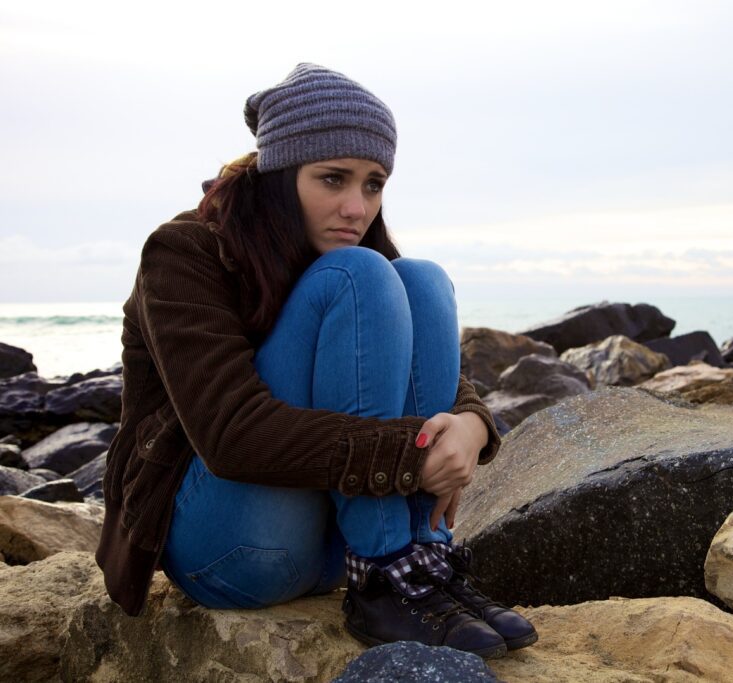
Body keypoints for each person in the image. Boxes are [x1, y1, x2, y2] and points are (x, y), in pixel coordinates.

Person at [96, 63, 536, 659]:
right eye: (333, 179)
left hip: (331, 551)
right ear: (280, 173)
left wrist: (474, 425)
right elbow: (231, 437)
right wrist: (415, 457)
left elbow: (438, 378)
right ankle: (386, 571)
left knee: (423, 280)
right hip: (232, 551)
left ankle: (420, 569)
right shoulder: (184, 252)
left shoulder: (355, 248)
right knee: (357, 278)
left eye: (374, 184)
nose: (357, 207)